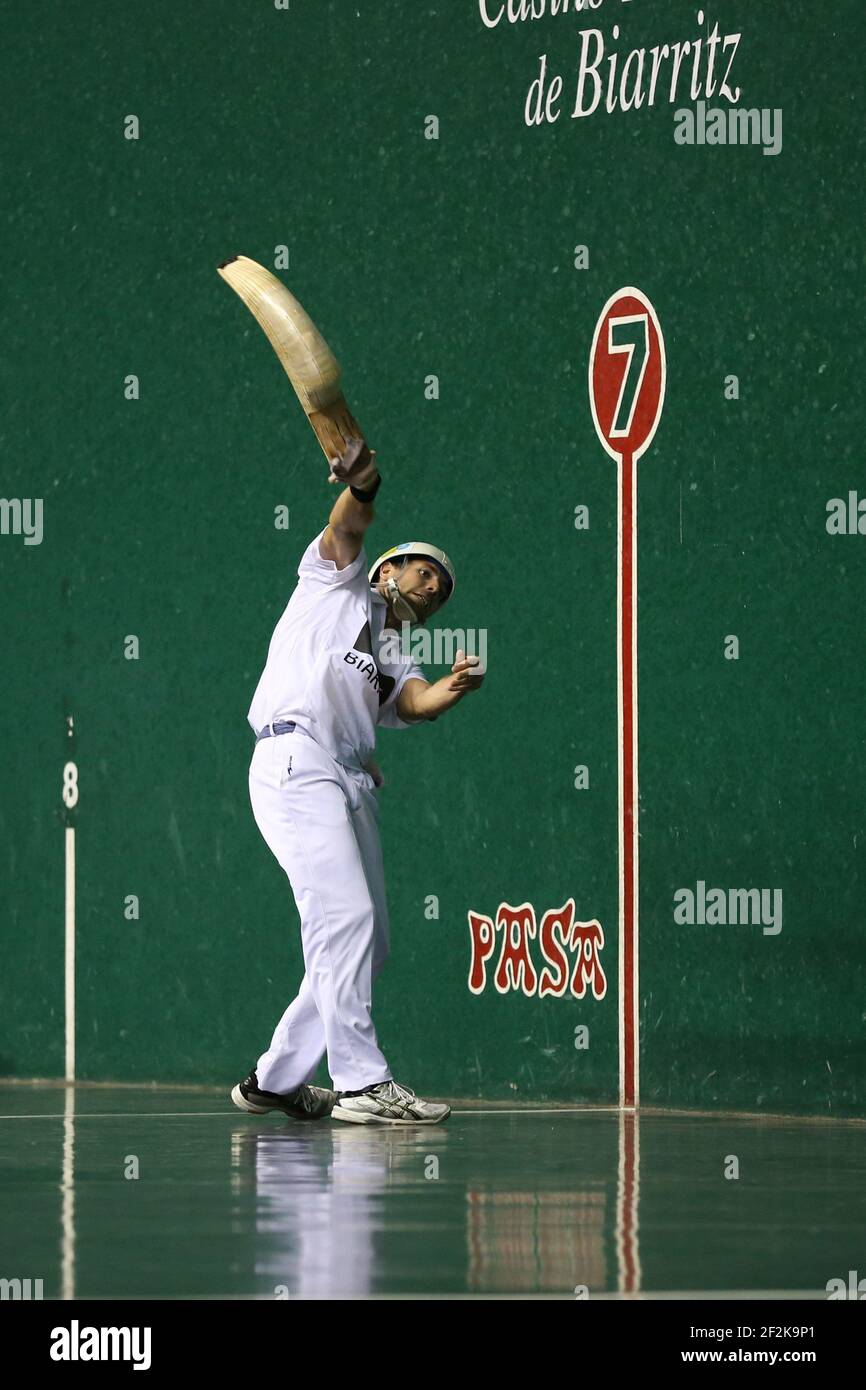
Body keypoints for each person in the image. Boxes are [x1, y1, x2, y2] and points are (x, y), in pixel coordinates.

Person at [231, 439, 484, 1125]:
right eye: (427, 574)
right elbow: (347, 524)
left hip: (349, 779)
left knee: (366, 944)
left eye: (444, 591)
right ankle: (361, 1083)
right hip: (295, 761)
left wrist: (454, 688)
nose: (436, 590)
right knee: (343, 918)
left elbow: (411, 703)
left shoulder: (393, 650)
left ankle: (276, 1080)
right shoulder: (336, 581)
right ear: (391, 567)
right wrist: (364, 486)